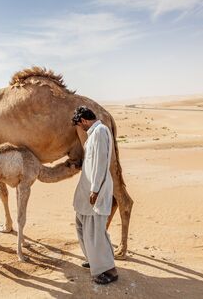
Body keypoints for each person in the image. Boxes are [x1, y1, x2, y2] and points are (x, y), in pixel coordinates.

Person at [71, 106, 118, 284]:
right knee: (82, 225)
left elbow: (100, 162)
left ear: (83, 120)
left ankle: (109, 270)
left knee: (96, 232)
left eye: (79, 124)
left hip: (94, 191)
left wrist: (95, 189)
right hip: (86, 192)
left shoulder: (99, 132)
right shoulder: (93, 135)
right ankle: (93, 260)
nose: (80, 127)